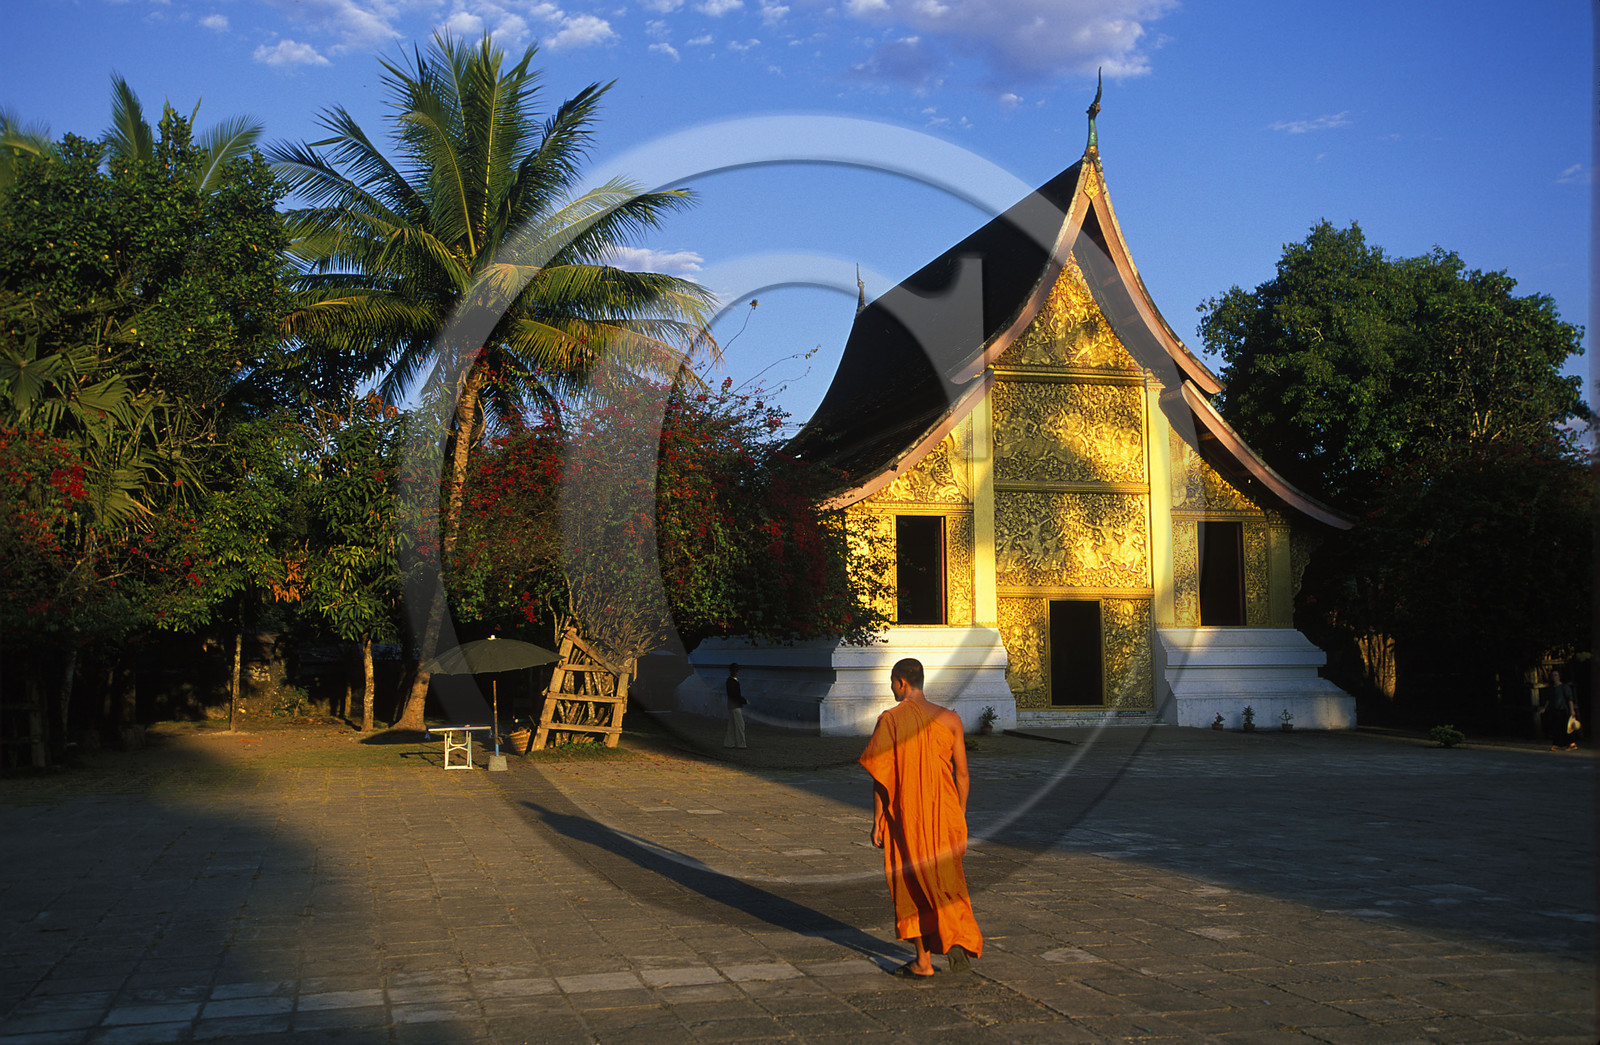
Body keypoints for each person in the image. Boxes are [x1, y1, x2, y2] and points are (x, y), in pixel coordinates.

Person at [858, 658, 983, 977]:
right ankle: (957, 934)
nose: (891, 688)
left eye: (891, 682)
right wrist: (960, 813)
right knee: (948, 879)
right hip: (945, 812)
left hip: (907, 814)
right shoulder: (951, 719)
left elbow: (881, 777)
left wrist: (877, 820)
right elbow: (964, 774)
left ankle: (923, 962)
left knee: (910, 883)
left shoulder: (891, 719)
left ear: (901, 682)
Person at [1539, 669, 1579, 751]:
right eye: (1553, 675)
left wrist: (1572, 710)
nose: (1554, 677)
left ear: (1559, 676)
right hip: (1554, 710)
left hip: (1563, 709)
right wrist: (1544, 708)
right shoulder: (1551, 688)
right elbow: (1548, 700)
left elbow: (1569, 699)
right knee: (1556, 727)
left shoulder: (1564, 687)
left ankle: (1572, 744)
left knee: (1566, 727)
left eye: (1556, 675)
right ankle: (1556, 744)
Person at [723, 663, 747, 749]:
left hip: (732, 705)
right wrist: (743, 700)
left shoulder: (731, 681)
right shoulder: (732, 681)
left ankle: (729, 743)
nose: (736, 672)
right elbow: (734, 694)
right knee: (740, 724)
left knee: (732, 725)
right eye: (736, 671)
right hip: (735, 705)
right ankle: (741, 744)